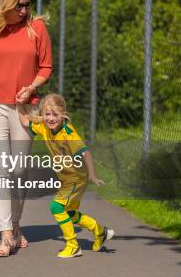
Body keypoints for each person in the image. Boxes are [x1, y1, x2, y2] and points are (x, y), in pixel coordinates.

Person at [0, 0, 52, 257]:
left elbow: (46, 65)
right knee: (0, 170)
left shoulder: (36, 27)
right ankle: (5, 235)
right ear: (6, 3)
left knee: (18, 171)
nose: (24, 10)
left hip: (25, 109)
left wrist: (32, 87)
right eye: (19, 5)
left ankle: (17, 225)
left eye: (28, 4)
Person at [17, 94, 115, 258]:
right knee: (69, 214)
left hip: (76, 178)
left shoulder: (68, 133)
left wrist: (92, 175)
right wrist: (18, 104)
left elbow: (85, 153)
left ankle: (73, 245)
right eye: (47, 114)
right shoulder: (44, 127)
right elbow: (26, 121)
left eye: (55, 114)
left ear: (63, 113)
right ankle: (100, 231)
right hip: (67, 179)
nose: (51, 118)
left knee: (56, 207)